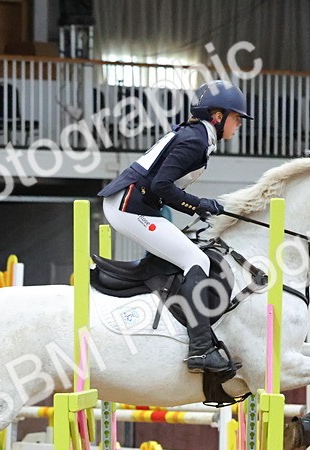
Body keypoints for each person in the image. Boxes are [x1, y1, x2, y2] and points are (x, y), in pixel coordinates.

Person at [98, 80, 251, 374]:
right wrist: (200, 203)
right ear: (218, 117)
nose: (239, 125)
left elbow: (163, 188)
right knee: (196, 259)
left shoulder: (196, 136)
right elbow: (161, 185)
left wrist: (199, 207)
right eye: (236, 118)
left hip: (138, 204)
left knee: (190, 250)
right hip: (129, 206)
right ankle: (200, 350)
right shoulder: (195, 140)